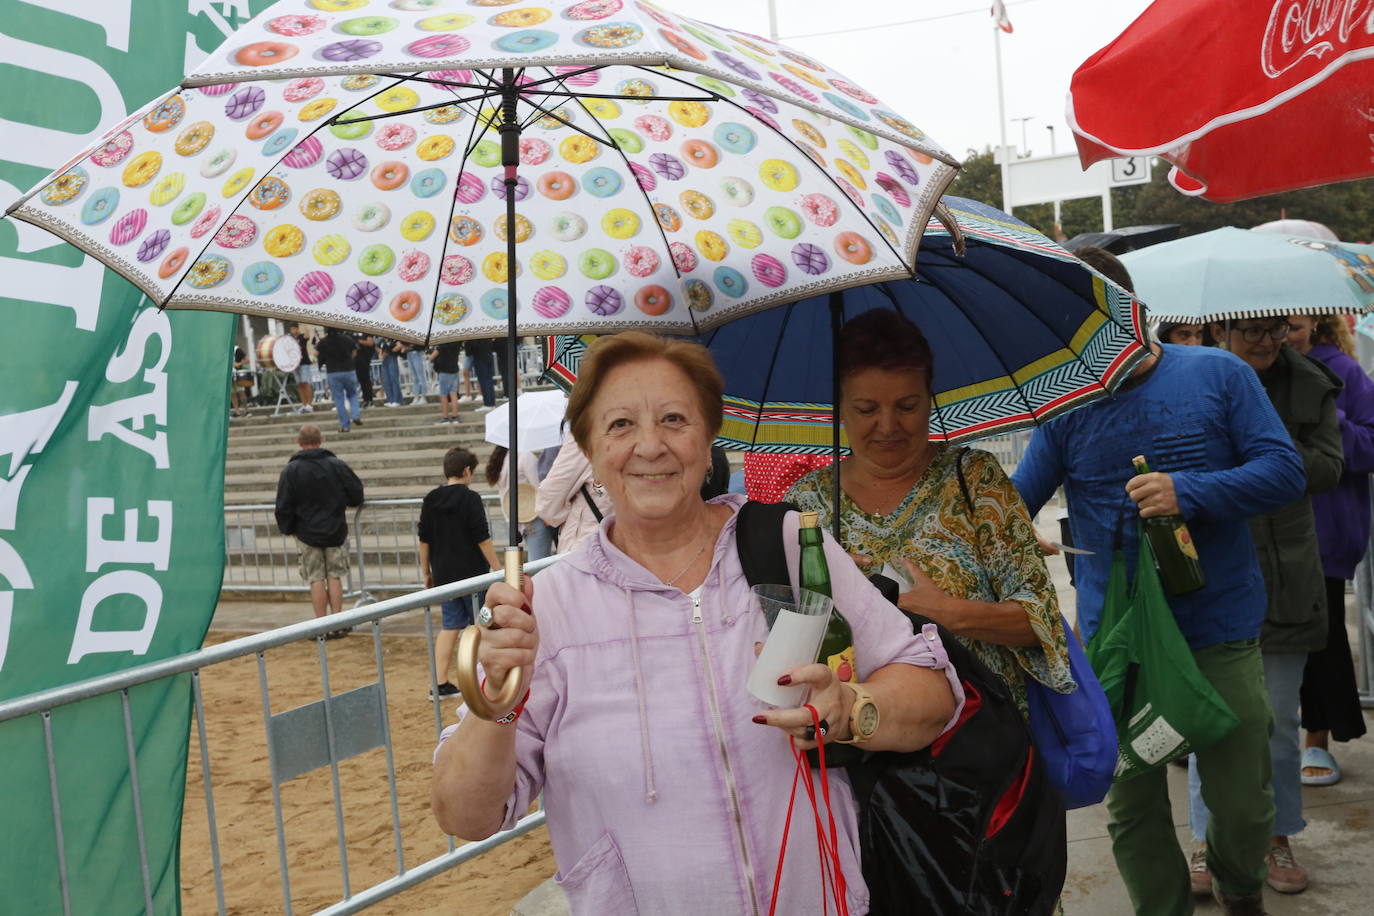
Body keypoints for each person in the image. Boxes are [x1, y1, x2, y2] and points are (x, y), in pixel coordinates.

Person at [431, 332, 962, 915]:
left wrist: (854, 707)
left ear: (710, 439)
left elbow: (932, 693)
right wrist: (500, 696)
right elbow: (467, 815)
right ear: (589, 449)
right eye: (620, 425)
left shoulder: (789, 546)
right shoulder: (548, 608)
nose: (650, 446)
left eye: (675, 419)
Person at [1013, 248, 1306, 916]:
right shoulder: (1065, 411)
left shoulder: (1219, 374)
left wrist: (1188, 490)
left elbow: (1284, 472)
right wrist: (994, 525)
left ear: (1122, 309)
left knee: (1241, 803)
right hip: (1118, 647)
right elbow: (1016, 500)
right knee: (1132, 804)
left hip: (1218, 631)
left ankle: (1238, 888)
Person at [785, 309, 1074, 714]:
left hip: (984, 744)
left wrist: (951, 613)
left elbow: (1041, 622)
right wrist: (826, 598)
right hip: (858, 746)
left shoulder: (975, 480)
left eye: (907, 405)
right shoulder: (806, 506)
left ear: (930, 397)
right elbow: (782, 636)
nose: (888, 426)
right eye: (867, 409)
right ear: (840, 407)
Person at [1182, 315, 1343, 895]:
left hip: (1286, 575)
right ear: (1219, 328)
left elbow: (1330, 466)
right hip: (1214, 578)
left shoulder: (1312, 383)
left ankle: (1277, 838)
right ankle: (1207, 842)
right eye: (1250, 329)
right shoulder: (1194, 380)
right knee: (1212, 723)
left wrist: (1268, 443)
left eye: (1275, 327)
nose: (1266, 339)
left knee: (1277, 724)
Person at [1286, 314, 1373, 784]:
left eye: (1293, 325)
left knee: (1321, 638)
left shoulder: (1343, 371)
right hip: (1260, 529)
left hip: (1326, 531)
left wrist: (1328, 416)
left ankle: (1316, 739)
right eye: (1270, 325)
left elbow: (1372, 444)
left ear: (1313, 322)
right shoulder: (1242, 369)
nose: (1283, 336)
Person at [419, 447, 499, 699]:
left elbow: (424, 539)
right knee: (482, 626)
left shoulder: (431, 499)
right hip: (473, 574)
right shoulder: (470, 499)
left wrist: (426, 571)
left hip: (444, 574)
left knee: (450, 626)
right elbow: (481, 537)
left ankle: (439, 682)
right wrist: (498, 568)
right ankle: (480, 679)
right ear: (466, 471)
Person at [274, 425, 364, 638]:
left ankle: (321, 625)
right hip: (334, 529)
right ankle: (338, 622)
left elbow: (283, 505)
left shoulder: (291, 471)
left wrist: (288, 529)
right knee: (335, 576)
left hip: (306, 531)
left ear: (299, 442)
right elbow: (356, 495)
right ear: (321, 439)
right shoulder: (336, 465)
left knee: (316, 578)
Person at [534, 439, 611, 552]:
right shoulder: (640, 436)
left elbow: (547, 503)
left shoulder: (585, 438)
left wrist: (567, 504)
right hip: (628, 547)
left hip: (588, 546)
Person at [486, 446, 553, 561]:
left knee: (535, 564)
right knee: (539, 566)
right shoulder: (525, 456)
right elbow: (539, 487)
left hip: (515, 520)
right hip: (534, 519)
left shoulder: (501, 458)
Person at [315, 326, 361, 433]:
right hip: (349, 370)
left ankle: (345, 426)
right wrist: (349, 360)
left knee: (339, 400)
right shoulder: (347, 338)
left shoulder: (323, 341)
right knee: (353, 394)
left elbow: (315, 354)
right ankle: (355, 415)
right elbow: (354, 351)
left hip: (333, 372)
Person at [430, 341, 462, 424]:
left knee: (443, 394)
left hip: (444, 370)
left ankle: (445, 417)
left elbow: (433, 356)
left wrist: (430, 358)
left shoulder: (443, 343)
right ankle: (455, 417)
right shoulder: (457, 341)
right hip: (454, 369)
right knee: (453, 393)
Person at [288, 323, 316, 413]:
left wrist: (304, 324)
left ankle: (309, 404)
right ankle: (304, 404)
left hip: (304, 363)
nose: (293, 331)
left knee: (306, 383)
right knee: (299, 385)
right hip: (295, 365)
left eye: (294, 329)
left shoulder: (301, 337)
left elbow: (307, 335)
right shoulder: (291, 340)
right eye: (291, 329)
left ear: (297, 329)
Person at [466, 337, 497, 413]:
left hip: (480, 358)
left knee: (484, 382)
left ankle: (488, 404)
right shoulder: (486, 335)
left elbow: (470, 349)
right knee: (489, 381)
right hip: (488, 357)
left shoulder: (476, 336)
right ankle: (491, 403)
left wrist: (467, 343)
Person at [378, 336, 405, 407]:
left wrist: (392, 350)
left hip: (392, 358)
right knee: (386, 381)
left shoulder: (393, 339)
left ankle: (397, 400)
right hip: (384, 360)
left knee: (394, 379)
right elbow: (380, 350)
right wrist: (380, 355)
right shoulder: (382, 341)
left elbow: (399, 346)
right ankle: (390, 400)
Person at [353, 333, 377, 407]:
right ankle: (365, 400)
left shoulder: (365, 333)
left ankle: (369, 400)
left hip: (364, 359)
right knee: (361, 382)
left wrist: (359, 341)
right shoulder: (352, 333)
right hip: (356, 360)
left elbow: (370, 343)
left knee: (366, 380)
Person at [231, 345, 251, 417]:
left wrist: (238, 364)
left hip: (238, 374)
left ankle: (246, 410)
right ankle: (237, 411)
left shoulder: (237, 349)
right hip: (229, 375)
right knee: (232, 394)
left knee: (241, 392)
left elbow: (247, 360)